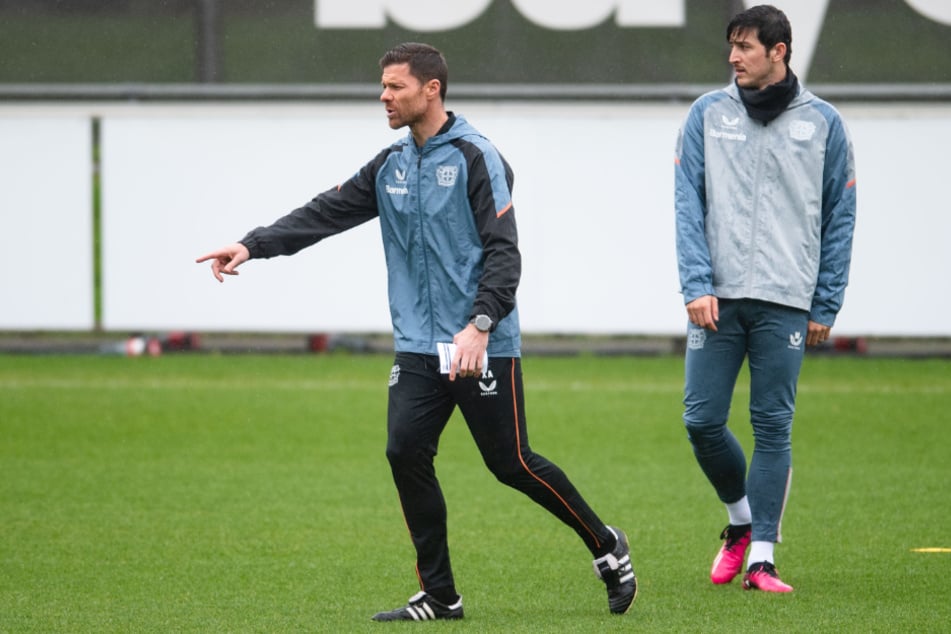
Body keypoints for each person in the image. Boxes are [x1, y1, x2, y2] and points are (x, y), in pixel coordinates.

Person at [196, 42, 636, 620]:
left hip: (480, 343)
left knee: (513, 465)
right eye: (382, 86)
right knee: (404, 451)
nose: (384, 96)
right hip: (417, 347)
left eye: (395, 86)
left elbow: (504, 254)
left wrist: (481, 325)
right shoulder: (391, 164)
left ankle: (607, 547)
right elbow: (322, 214)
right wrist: (252, 244)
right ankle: (440, 594)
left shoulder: (479, 159)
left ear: (432, 90)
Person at [673, 5, 856, 593]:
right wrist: (697, 283)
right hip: (717, 299)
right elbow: (687, 205)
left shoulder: (823, 122)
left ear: (779, 51)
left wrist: (825, 301)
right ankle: (740, 523)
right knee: (701, 421)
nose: (733, 57)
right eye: (731, 46)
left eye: (745, 47)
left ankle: (763, 561)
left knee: (772, 427)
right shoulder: (707, 114)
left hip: (786, 299)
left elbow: (840, 217)